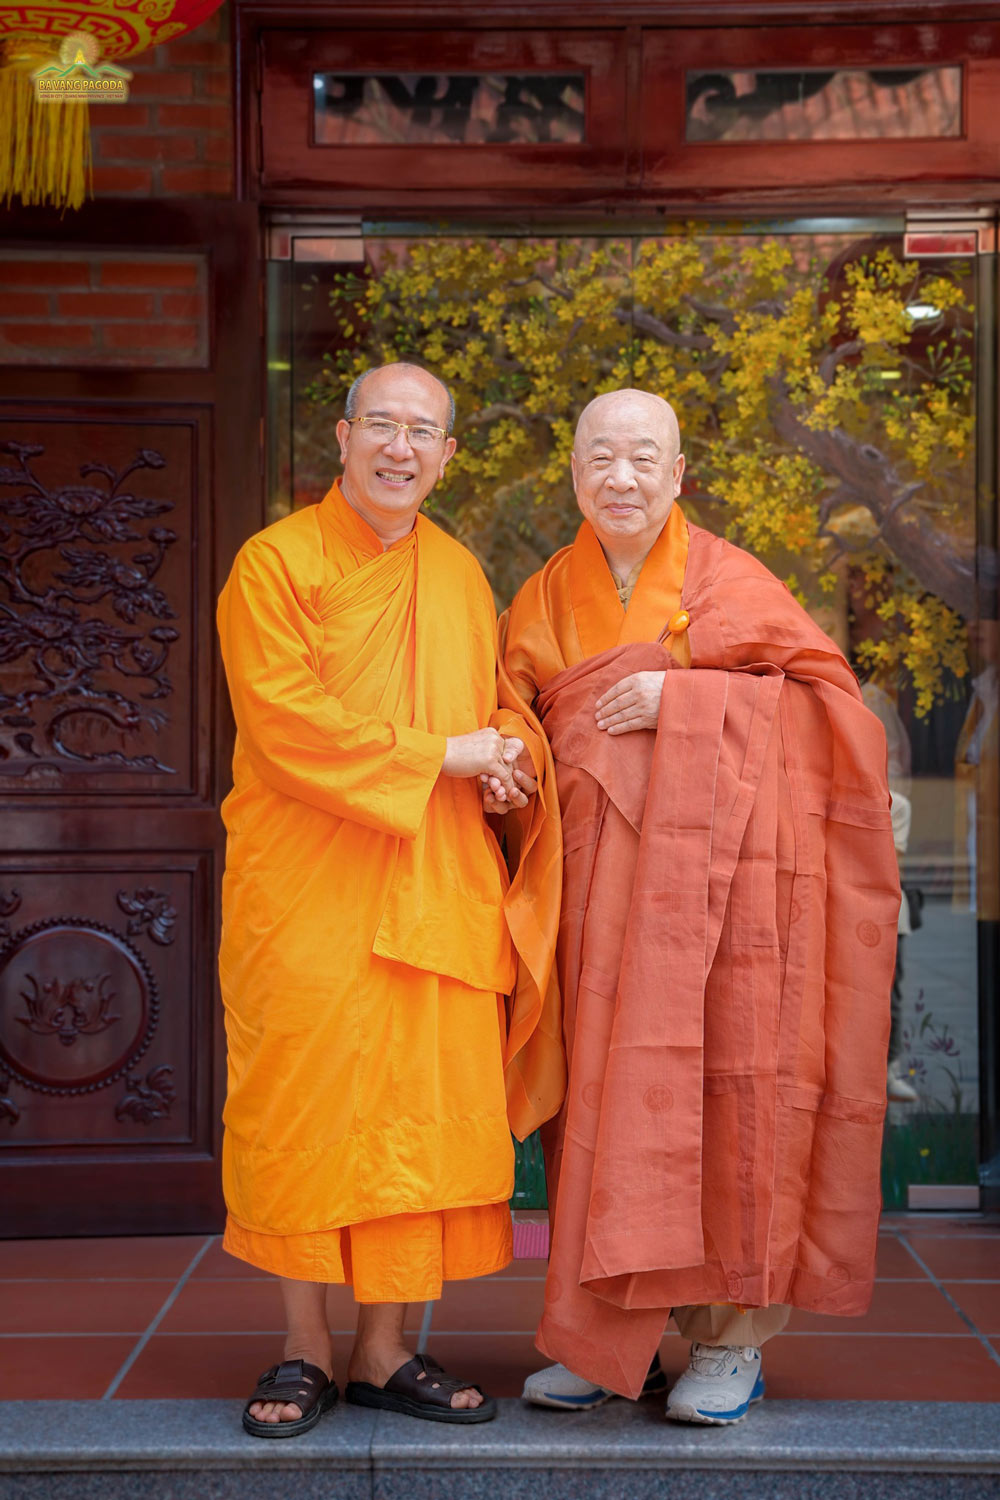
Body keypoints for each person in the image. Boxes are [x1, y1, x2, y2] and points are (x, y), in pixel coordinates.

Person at [499, 388, 900, 1424]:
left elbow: (832, 716)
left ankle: (727, 1343)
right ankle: (603, 1338)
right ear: (574, 472)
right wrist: (504, 762)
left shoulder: (731, 581)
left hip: (721, 907)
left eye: (643, 458)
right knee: (599, 1111)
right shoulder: (543, 596)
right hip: (593, 899)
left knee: (728, 1100)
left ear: (679, 474)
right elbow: (510, 719)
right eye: (600, 456)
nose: (620, 477)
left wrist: (691, 698)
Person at [217, 362, 561, 1438]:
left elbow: (494, 709)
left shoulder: (460, 573)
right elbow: (285, 724)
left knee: (422, 1113)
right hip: (309, 888)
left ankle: (385, 1350)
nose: (400, 448)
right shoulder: (273, 565)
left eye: (423, 431)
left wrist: (508, 764)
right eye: (382, 425)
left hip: (435, 886)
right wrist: (446, 750)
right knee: (305, 1111)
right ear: (342, 436)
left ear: (448, 454)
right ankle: (304, 1350)